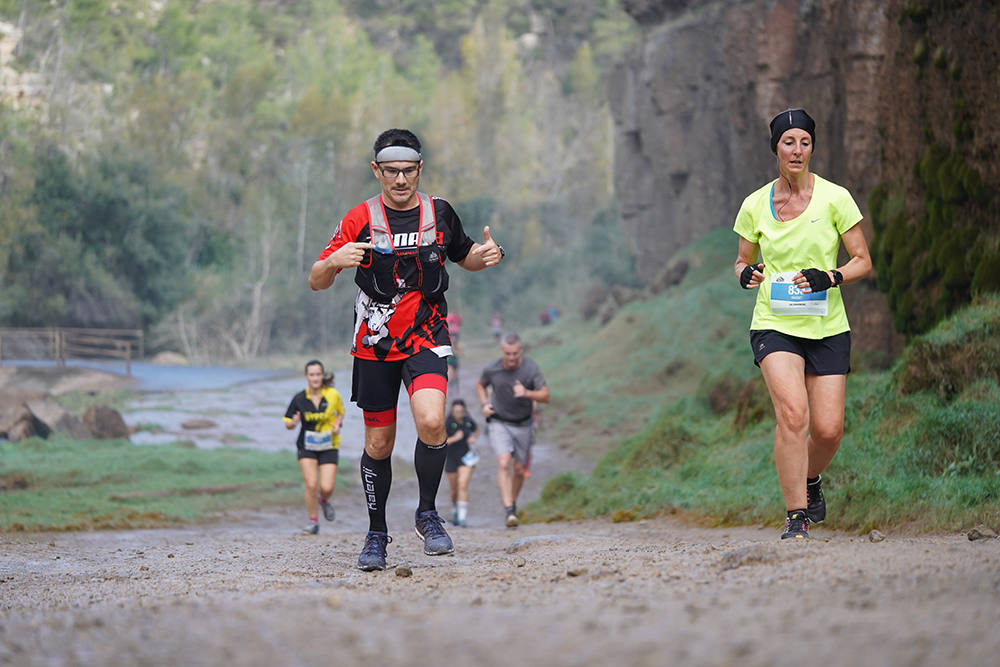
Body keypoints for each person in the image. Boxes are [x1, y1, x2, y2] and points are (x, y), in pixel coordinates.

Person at [309, 128, 505, 571]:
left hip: (428, 334)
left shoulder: (440, 212)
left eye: (408, 171)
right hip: (374, 343)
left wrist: (487, 255)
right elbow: (316, 280)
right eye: (391, 171)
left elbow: (465, 254)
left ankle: (428, 514)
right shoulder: (358, 219)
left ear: (420, 169)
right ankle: (376, 533)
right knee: (379, 442)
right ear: (377, 171)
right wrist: (331, 263)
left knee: (433, 421)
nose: (401, 180)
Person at [732, 108, 872, 540]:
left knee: (828, 430)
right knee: (793, 415)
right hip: (774, 323)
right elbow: (742, 258)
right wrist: (745, 273)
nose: (797, 150)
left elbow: (863, 261)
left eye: (804, 142)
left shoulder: (836, 197)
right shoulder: (756, 204)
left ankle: (809, 478)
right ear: (775, 147)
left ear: (812, 147)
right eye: (788, 142)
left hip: (827, 324)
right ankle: (796, 515)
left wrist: (830, 277)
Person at [476, 332, 550, 527]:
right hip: (499, 421)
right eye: (507, 353)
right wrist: (484, 404)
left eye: (515, 354)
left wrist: (527, 393)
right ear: (502, 351)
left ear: (521, 351)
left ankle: (512, 506)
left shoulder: (531, 368)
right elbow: (480, 385)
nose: (511, 358)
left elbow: (546, 396)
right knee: (503, 462)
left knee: (518, 470)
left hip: (524, 424)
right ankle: (509, 508)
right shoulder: (491, 368)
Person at [283, 360, 345, 535]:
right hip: (307, 445)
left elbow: (341, 412)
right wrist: (293, 423)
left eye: (318, 374)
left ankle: (324, 501)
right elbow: (287, 421)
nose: (315, 378)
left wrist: (338, 424)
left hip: (329, 445)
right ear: (306, 376)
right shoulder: (299, 399)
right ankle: (313, 521)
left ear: (322, 375)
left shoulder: (333, 395)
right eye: (312, 375)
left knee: (327, 487)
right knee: (311, 484)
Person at [444, 398, 479, 526]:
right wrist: (454, 438)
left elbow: (476, 430)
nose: (459, 413)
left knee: (462, 485)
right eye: (456, 411)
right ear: (452, 412)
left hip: (466, 457)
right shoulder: (448, 423)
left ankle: (463, 518)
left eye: (461, 411)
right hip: (451, 458)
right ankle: (455, 510)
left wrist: (474, 438)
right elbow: (442, 442)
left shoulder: (468, 422)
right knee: (454, 490)